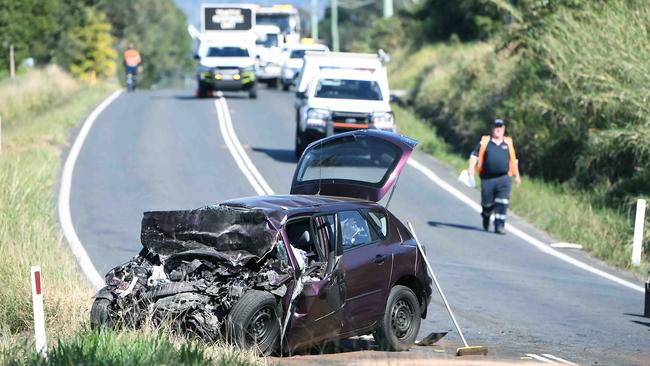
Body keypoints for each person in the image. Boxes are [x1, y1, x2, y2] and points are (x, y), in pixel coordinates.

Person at [468, 119, 521, 234]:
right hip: (487, 178)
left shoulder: (508, 143)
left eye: (500, 127)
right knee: (487, 204)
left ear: (504, 129)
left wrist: (517, 175)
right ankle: (486, 216)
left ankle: (499, 226)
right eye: (496, 126)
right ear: (492, 128)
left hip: (504, 178)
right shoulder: (485, 142)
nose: (498, 129)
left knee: (502, 202)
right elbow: (474, 155)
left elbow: (513, 160)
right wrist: (471, 168)